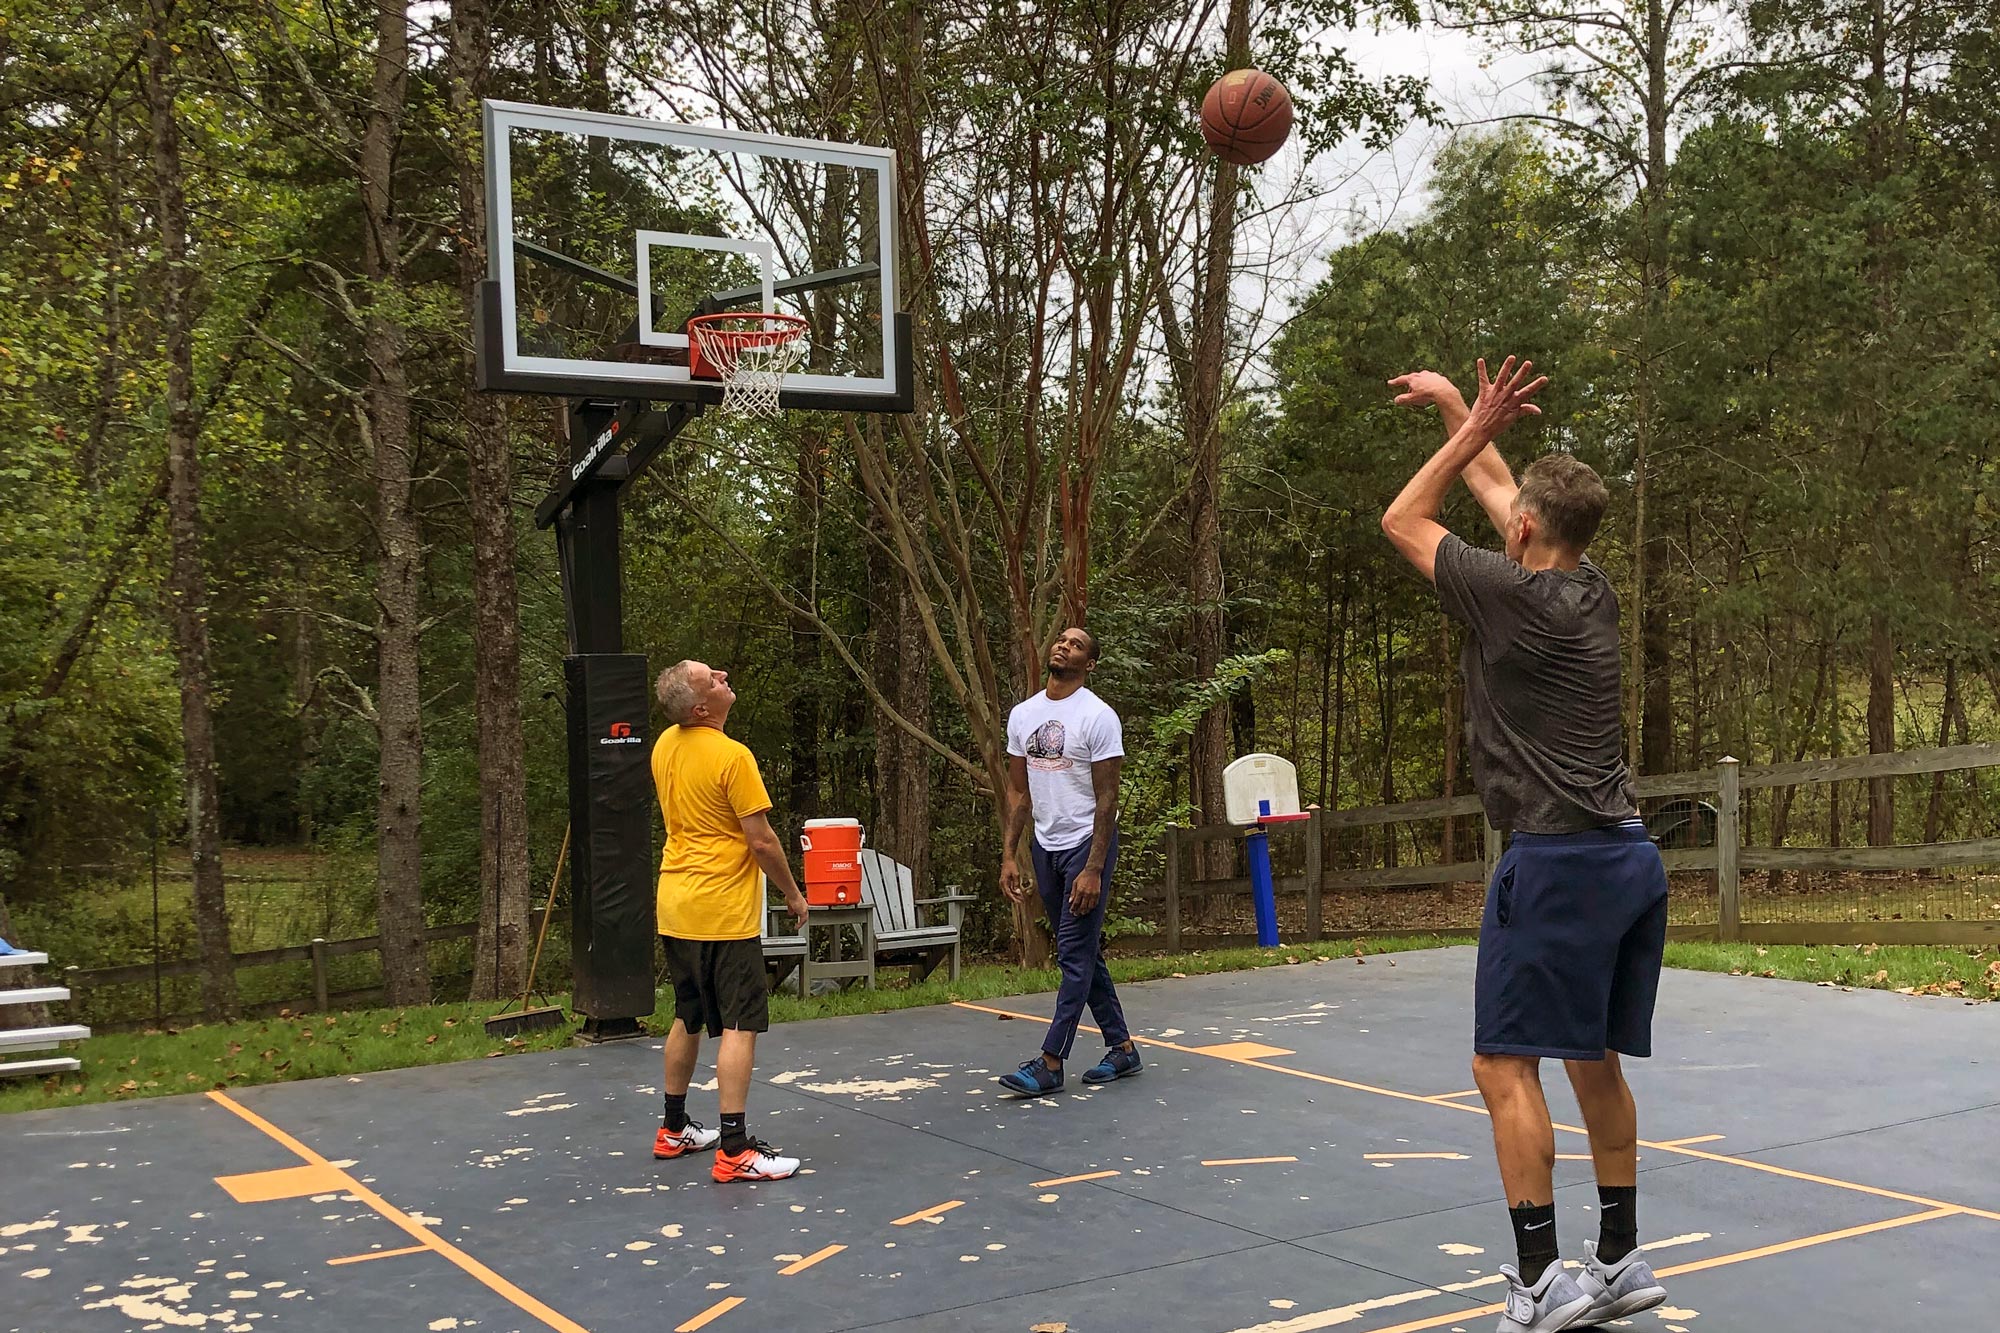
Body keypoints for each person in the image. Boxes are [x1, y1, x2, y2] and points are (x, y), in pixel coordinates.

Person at [1381, 361, 1671, 1331]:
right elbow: (1504, 496)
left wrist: (1459, 434)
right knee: (1589, 1058)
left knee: (1501, 1065)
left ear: (1519, 539)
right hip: (1628, 857)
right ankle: (1622, 1261)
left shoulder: (1506, 594)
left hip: (1552, 863)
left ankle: (1542, 1281)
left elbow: (1401, 518)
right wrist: (1467, 413)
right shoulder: (1587, 588)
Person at [650, 659, 810, 1184]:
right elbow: (761, 839)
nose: (722, 674)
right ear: (702, 708)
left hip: (676, 904)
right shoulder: (732, 756)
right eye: (711, 678)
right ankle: (735, 1149)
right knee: (740, 1025)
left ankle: (673, 1129)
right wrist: (792, 893)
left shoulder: (664, 745)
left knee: (687, 1015)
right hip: (721, 911)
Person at [995, 627, 1141, 1096]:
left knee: (1073, 957)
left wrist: (1094, 867)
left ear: (1089, 664)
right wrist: (1010, 854)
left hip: (1085, 843)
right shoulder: (1024, 715)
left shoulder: (1098, 717)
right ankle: (1122, 1048)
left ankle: (1051, 1062)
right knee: (1083, 953)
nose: (1063, 645)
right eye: (1060, 639)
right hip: (1044, 845)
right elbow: (1020, 791)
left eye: (1076, 645)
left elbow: (1107, 797)